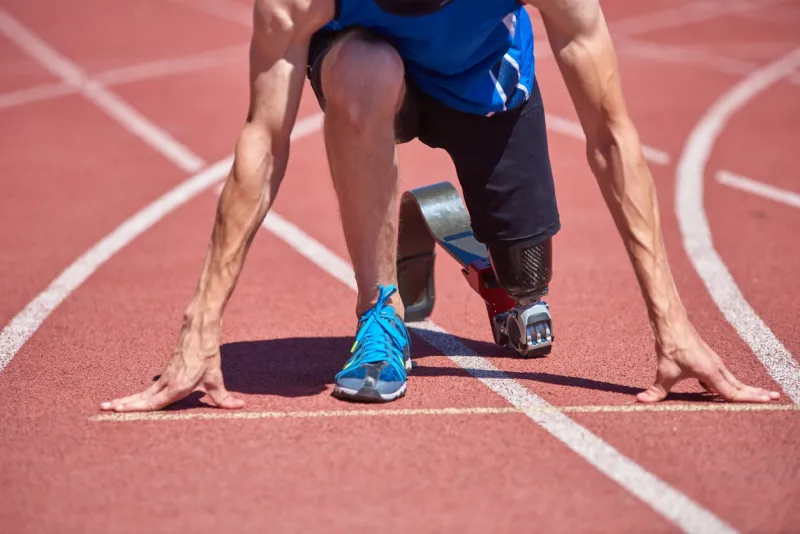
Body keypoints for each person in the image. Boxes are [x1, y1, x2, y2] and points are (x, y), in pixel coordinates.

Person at [100, 0, 781, 412]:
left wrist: (673, 326)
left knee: (528, 289)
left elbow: (610, 135)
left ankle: (466, 245)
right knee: (368, 73)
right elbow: (262, 140)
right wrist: (200, 327)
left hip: (483, 79)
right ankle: (380, 315)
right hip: (363, 66)